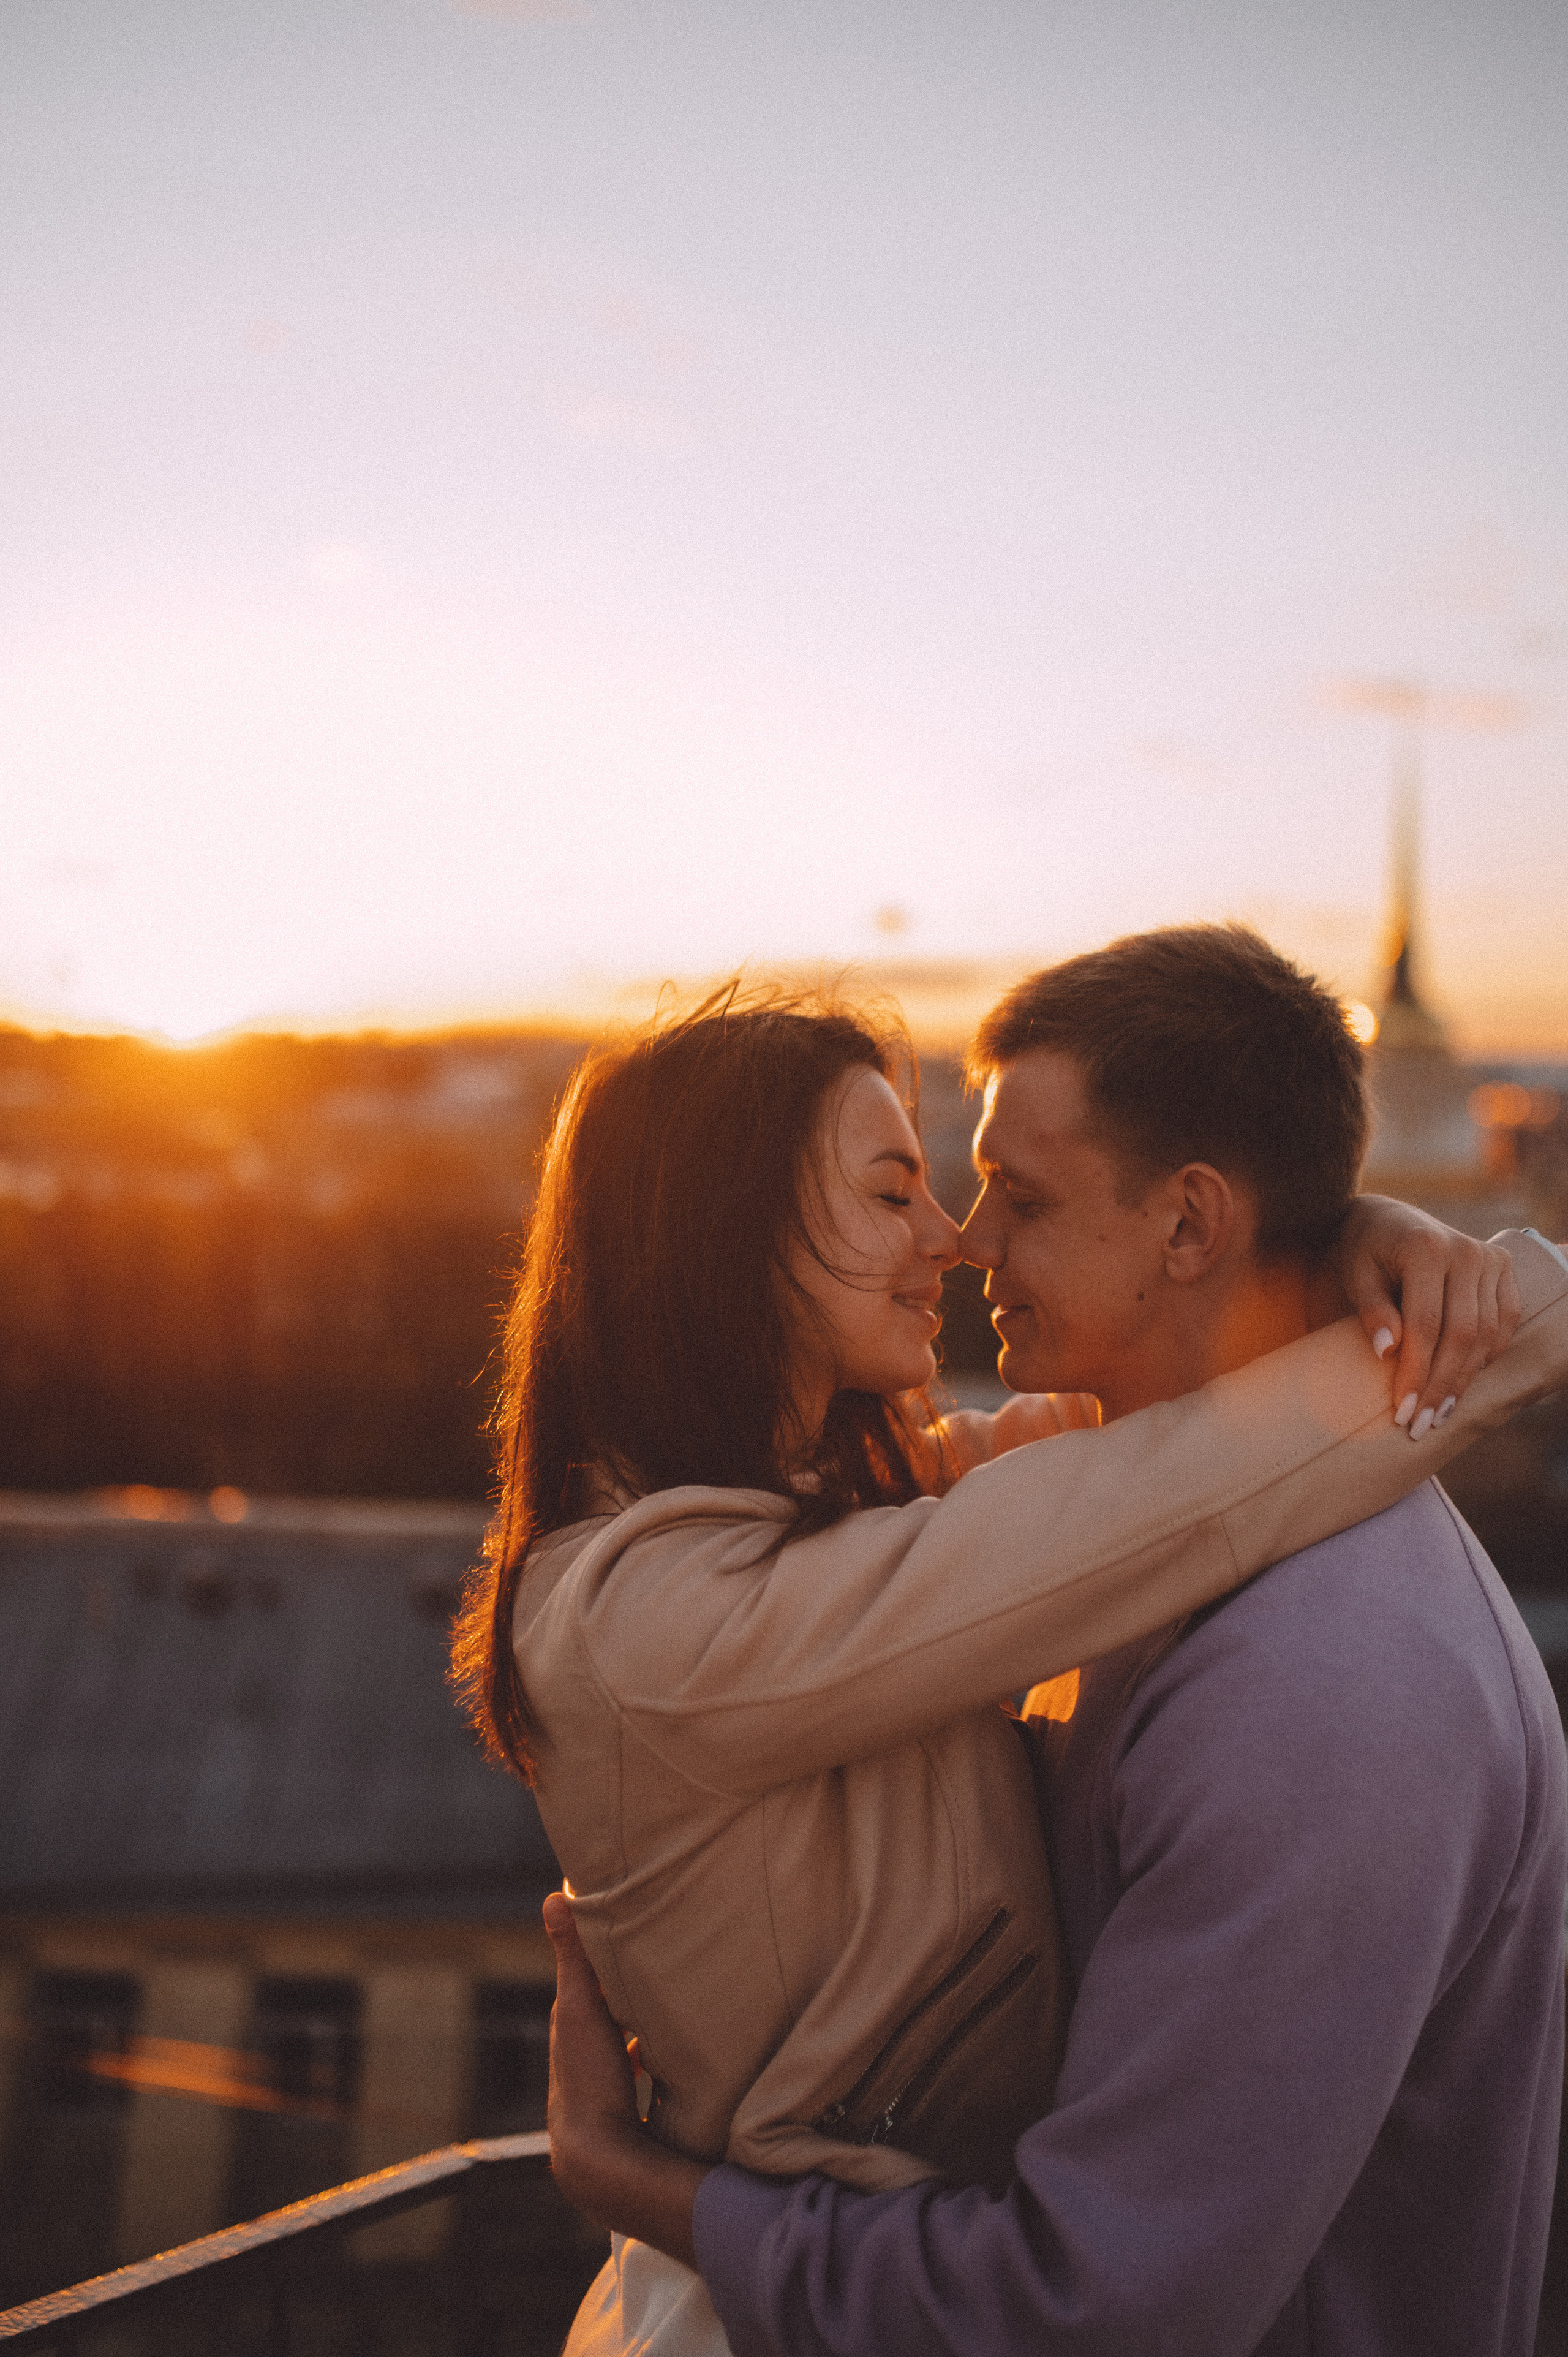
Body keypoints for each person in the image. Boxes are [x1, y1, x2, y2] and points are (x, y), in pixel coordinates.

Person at [543, 933, 1568, 2357]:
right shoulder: (957, 1540)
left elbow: (1091, 2307)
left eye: (1008, 1194)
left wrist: (657, 2190)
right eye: (907, 1190)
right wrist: (1360, 1261)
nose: (963, 1239)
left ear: (1191, 1224)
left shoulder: (1325, 1691)